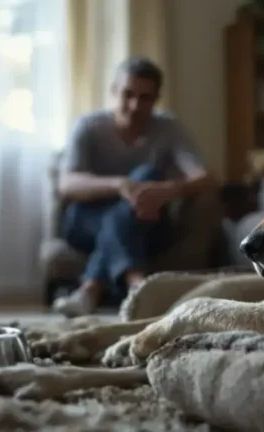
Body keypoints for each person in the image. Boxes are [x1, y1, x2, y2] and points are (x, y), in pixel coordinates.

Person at [53, 56, 215, 317]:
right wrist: (120, 186)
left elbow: (206, 178)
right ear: (114, 91)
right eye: (128, 94)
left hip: (148, 222)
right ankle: (137, 284)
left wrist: (168, 190)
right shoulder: (88, 126)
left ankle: (90, 290)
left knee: (148, 175)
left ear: (156, 99)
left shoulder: (168, 127)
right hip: (84, 221)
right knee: (133, 190)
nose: (135, 105)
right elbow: (67, 184)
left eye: (145, 98)